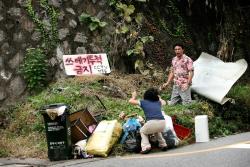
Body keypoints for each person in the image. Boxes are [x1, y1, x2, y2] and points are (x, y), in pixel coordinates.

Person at [128, 88, 167, 154]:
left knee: (142, 131)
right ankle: (163, 144)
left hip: (152, 122)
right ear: (156, 96)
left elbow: (130, 101)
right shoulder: (158, 102)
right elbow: (165, 102)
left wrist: (133, 96)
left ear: (146, 95)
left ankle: (146, 146)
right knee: (156, 131)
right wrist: (159, 98)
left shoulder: (143, 102)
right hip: (162, 123)